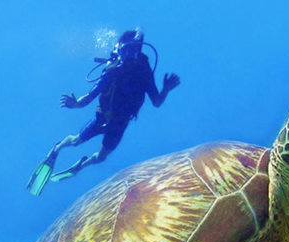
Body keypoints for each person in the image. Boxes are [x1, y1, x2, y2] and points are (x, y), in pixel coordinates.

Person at [26, 28, 180, 195]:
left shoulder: (144, 72)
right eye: (127, 49)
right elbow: (91, 95)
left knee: (101, 157)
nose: (130, 53)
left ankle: (80, 166)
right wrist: (76, 104)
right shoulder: (113, 70)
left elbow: (156, 102)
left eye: (134, 49)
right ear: (121, 48)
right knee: (77, 140)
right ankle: (57, 148)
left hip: (119, 124)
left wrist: (166, 89)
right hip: (102, 118)